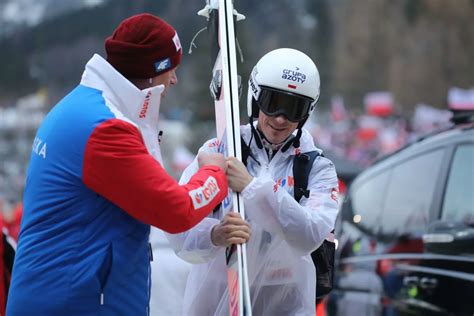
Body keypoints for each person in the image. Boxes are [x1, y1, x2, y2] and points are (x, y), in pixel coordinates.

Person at [7, 13, 229, 315]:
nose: (174, 80)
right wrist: (214, 172)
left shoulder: (80, 105)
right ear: (152, 72)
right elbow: (176, 209)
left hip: (65, 293)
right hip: (78, 301)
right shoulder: (105, 128)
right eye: (172, 69)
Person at [167, 48, 340, 315]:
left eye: (294, 108)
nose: (281, 118)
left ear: (306, 113)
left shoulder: (318, 169)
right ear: (256, 99)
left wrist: (252, 187)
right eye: (273, 102)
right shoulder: (217, 151)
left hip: (284, 302)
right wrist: (214, 235)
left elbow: (310, 235)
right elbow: (179, 224)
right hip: (217, 300)